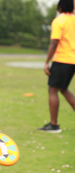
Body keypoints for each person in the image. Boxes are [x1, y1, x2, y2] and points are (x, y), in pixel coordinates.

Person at [38, 0, 75, 133]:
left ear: (60, 7)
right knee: (63, 89)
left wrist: (47, 61)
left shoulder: (59, 21)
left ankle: (53, 125)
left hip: (62, 59)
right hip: (73, 60)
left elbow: (54, 43)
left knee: (53, 90)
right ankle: (53, 125)